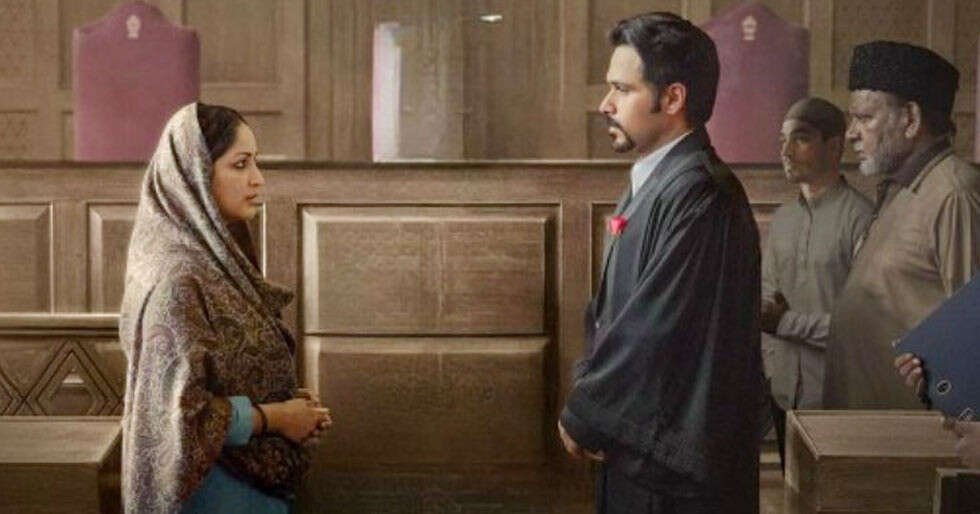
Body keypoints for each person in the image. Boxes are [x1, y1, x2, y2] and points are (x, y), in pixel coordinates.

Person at [557, 12, 764, 513]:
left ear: (672, 99)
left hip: (674, 471)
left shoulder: (703, 193)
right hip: (638, 447)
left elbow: (654, 328)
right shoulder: (657, 179)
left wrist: (586, 413)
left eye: (622, 90)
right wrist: (589, 393)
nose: (605, 105)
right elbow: (607, 315)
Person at [119, 103, 332, 513]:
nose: (257, 179)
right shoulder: (177, 281)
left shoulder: (207, 263)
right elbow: (181, 417)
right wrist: (277, 417)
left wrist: (294, 409)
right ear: (196, 174)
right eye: (240, 164)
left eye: (256, 163)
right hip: (212, 493)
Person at [824, 41, 980, 409]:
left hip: (910, 434)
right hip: (863, 425)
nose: (851, 133)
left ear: (910, 118)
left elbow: (973, 339)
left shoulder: (954, 192)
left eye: (864, 118)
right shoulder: (898, 188)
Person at [762, 98, 873, 469]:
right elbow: (764, 304)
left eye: (801, 139)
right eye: (783, 140)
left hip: (837, 399)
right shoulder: (783, 220)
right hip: (782, 396)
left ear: (835, 145)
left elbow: (863, 326)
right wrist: (771, 371)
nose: (786, 151)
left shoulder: (861, 219)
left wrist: (786, 323)